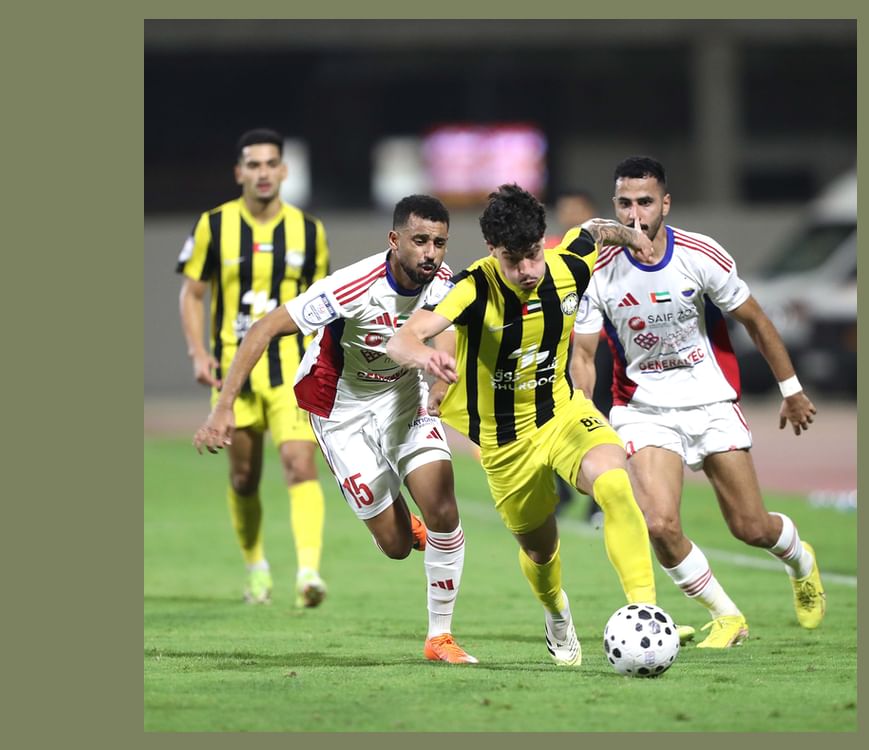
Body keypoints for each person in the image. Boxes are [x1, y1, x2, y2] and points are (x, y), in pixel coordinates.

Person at [387, 183, 694, 667]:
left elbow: (595, 230)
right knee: (540, 551)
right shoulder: (471, 288)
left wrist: (634, 237)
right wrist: (426, 357)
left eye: (533, 254)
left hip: (563, 413)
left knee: (615, 484)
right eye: (514, 260)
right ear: (492, 250)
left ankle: (648, 614)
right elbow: (403, 339)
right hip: (506, 441)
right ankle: (556, 613)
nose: (528, 270)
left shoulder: (568, 265)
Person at [194, 194, 476, 664]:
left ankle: (439, 637)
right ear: (394, 240)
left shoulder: (444, 280)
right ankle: (405, 526)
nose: (430, 253)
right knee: (396, 546)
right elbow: (262, 329)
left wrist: (441, 380)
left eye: (439, 243)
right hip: (341, 411)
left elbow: (446, 327)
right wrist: (224, 407)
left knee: (444, 508)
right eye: (420, 240)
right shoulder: (350, 287)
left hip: (403, 398)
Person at [570, 156, 826, 648]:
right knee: (660, 524)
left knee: (751, 527)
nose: (635, 214)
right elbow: (583, 354)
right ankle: (728, 616)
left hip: (710, 402)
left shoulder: (699, 253)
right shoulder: (596, 271)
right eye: (625, 203)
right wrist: (584, 414)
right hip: (642, 410)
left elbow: (756, 321)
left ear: (665, 203)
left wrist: (791, 390)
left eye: (646, 202)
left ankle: (800, 560)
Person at [178, 128, 329, 608]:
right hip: (235, 375)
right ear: (239, 172)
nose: (263, 173)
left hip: (291, 372)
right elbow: (192, 293)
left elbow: (324, 303)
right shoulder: (214, 225)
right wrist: (198, 353)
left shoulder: (310, 231)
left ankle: (308, 574)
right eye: (253, 164)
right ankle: (257, 567)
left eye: (270, 164)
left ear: (284, 170)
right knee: (243, 477)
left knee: (300, 464)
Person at [545, 190, 608, 524]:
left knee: (599, 415)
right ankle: (562, 491)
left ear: (591, 212)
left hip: (601, 345)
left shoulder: (605, 254)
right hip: (560, 346)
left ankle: (600, 500)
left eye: (577, 209)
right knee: (556, 417)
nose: (571, 215)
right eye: (565, 209)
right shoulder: (550, 249)